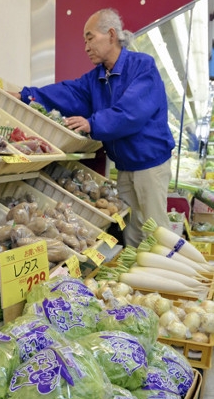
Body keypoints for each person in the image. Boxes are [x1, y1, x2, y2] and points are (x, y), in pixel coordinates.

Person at [10, 8, 175, 247]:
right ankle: (137, 278)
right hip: (125, 166)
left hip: (151, 165)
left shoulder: (142, 67)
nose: (86, 47)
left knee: (156, 230)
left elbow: (132, 112)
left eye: (90, 38)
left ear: (110, 34)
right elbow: (67, 92)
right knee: (131, 230)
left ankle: (164, 280)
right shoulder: (96, 77)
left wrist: (92, 123)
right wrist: (26, 95)